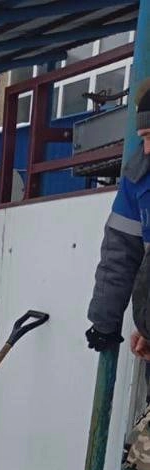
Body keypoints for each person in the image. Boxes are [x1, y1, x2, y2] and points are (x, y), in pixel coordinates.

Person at [87, 80, 150, 359]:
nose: (146, 149)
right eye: (143, 138)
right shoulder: (138, 178)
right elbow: (119, 253)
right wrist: (104, 321)